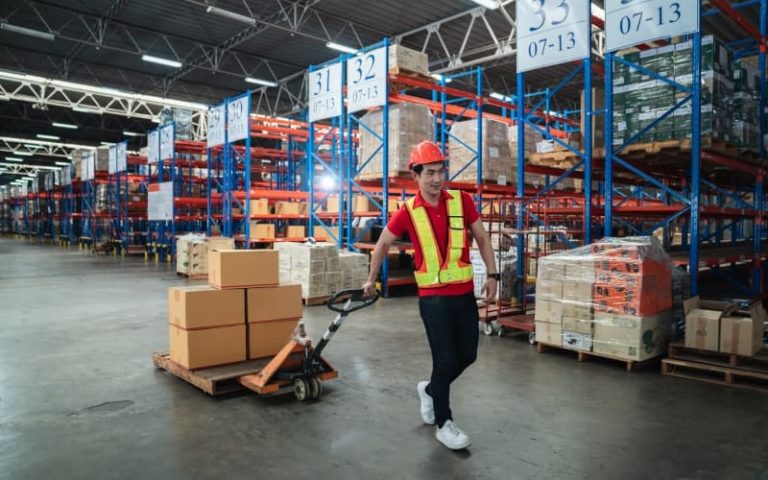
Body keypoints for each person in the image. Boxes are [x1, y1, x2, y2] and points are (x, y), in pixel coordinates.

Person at [362, 140, 499, 450]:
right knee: (445, 359)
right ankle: (444, 423)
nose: (437, 179)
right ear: (416, 175)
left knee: (468, 355)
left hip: (463, 294)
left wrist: (493, 274)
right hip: (433, 299)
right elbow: (382, 244)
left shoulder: (461, 201)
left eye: (440, 172)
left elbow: (482, 238)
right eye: (430, 173)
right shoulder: (409, 211)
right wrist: (371, 279)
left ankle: (430, 391)